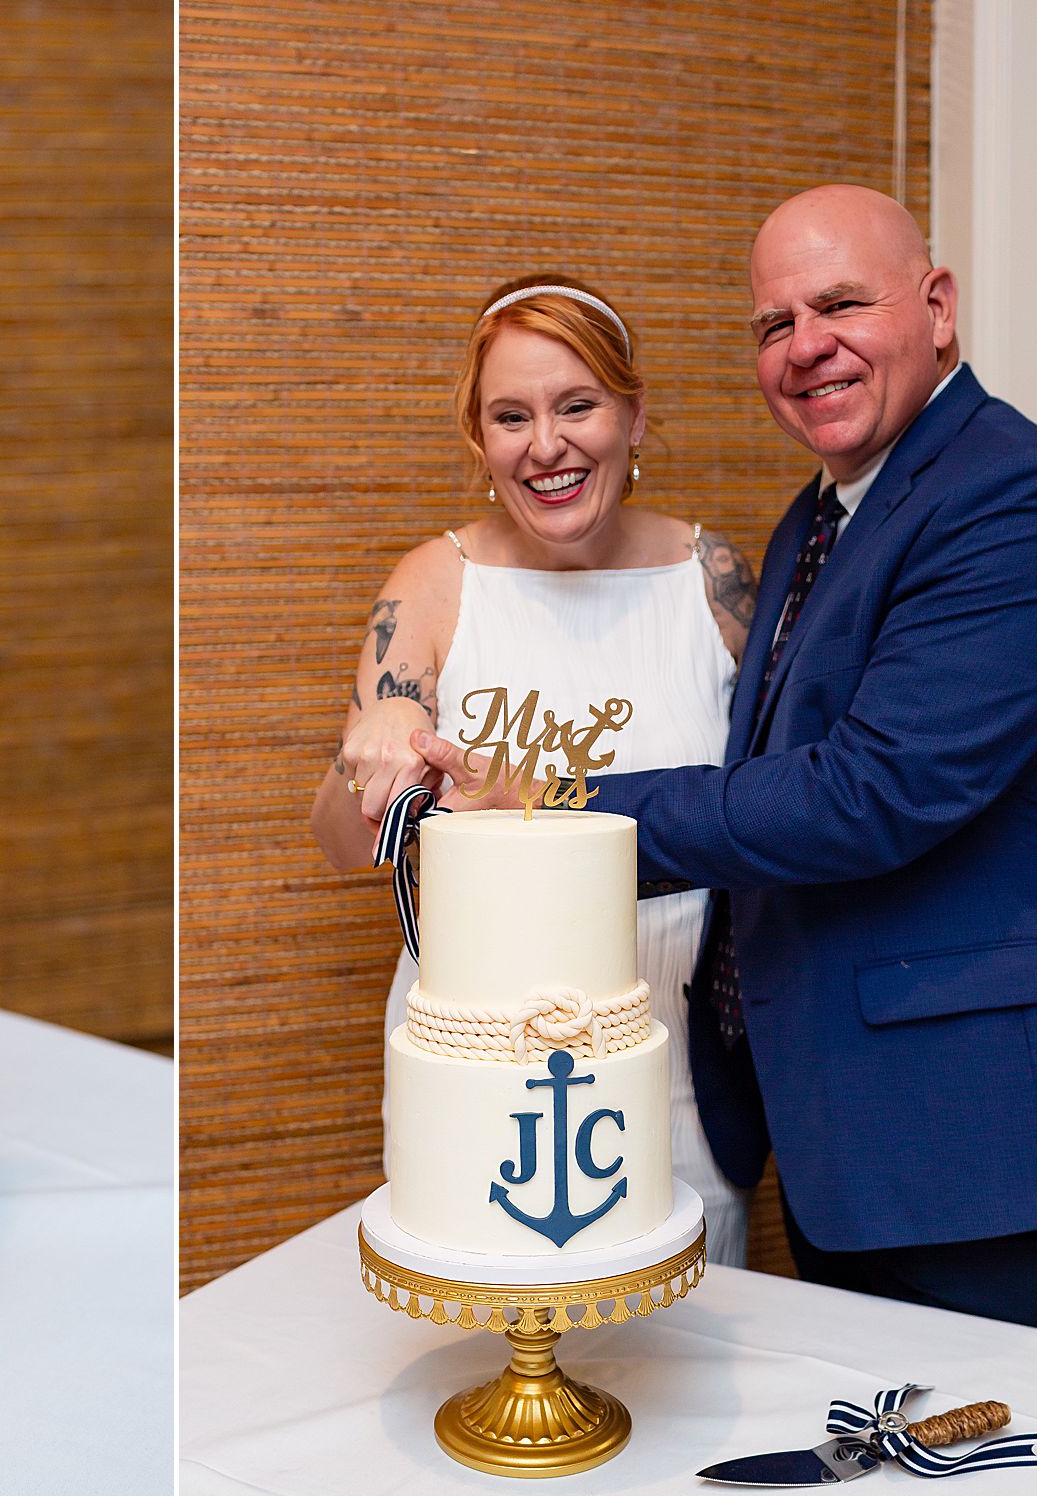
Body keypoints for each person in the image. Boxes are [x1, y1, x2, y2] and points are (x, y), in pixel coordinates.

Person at [415, 186, 1037, 1340]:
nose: (804, 345)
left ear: (936, 308)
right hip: (847, 1132)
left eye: (838, 304)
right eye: (773, 324)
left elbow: (863, 795)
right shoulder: (816, 519)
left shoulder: (1016, 501)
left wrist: (557, 804)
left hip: (984, 1135)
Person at [310, 274, 760, 1266]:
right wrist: (370, 751)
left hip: (679, 1060)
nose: (544, 444)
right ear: (477, 439)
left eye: (576, 405)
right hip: (478, 1064)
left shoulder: (712, 581)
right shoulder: (431, 585)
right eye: (509, 415)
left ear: (632, 415)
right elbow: (348, 843)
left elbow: (778, 806)